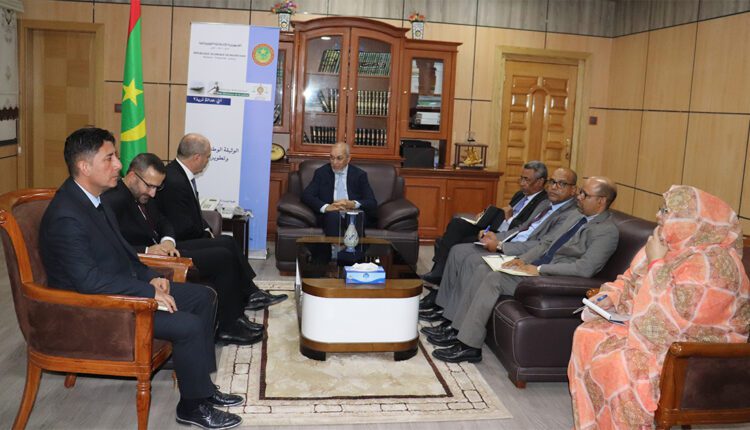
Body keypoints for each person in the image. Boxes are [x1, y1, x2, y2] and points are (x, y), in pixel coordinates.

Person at [39, 127, 243, 429]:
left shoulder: (94, 200)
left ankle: (202, 389)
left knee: (203, 297)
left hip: (121, 289)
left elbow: (125, 253)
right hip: (95, 310)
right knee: (188, 324)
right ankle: (192, 408)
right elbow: (88, 282)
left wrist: (150, 278)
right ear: (84, 166)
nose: (119, 165)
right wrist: (147, 293)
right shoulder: (66, 215)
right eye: (109, 158)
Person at [568, 185, 750, 429]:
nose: (658, 215)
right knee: (587, 334)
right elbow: (630, 279)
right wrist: (611, 296)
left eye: (666, 211)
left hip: (691, 348)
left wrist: (656, 262)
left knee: (620, 362)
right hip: (653, 330)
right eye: (661, 208)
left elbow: (676, 317)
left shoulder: (714, 263)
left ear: (692, 221)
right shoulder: (668, 243)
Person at [429, 176, 620, 363]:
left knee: (494, 279)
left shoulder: (607, 231)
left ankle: (469, 346)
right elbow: (546, 243)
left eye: (585, 194)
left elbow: (584, 268)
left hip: (551, 278)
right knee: (482, 269)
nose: (579, 196)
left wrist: (539, 269)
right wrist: (521, 260)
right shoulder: (576, 215)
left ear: (601, 201)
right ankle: (456, 330)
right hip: (534, 267)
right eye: (580, 192)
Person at [103, 153, 274, 345]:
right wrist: (148, 250)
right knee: (222, 257)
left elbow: (163, 221)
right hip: (148, 258)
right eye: (149, 186)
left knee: (226, 242)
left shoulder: (142, 194)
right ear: (133, 176)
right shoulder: (112, 200)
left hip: (166, 249)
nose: (153, 194)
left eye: (157, 188)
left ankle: (239, 310)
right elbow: (112, 246)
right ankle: (227, 328)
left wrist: (168, 240)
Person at [420, 167, 581, 323]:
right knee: (457, 251)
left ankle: (452, 320)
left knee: (471, 260)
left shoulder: (570, 214)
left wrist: (500, 246)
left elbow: (541, 244)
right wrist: (495, 236)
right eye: (552, 182)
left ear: (573, 190)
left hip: (522, 252)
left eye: (561, 184)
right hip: (510, 241)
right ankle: (442, 308)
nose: (554, 187)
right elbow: (520, 228)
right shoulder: (545, 204)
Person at [156, 133, 286, 312]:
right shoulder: (174, 181)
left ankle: (251, 292)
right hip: (179, 242)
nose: (207, 161)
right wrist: (205, 234)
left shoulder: (179, 173)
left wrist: (207, 229)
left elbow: (193, 213)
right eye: (208, 157)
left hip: (188, 234)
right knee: (224, 249)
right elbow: (181, 225)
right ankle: (247, 296)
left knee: (228, 241)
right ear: (197, 157)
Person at [421, 160, 549, 285]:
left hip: (503, 236)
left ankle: (441, 277)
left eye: (526, 180)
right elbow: (504, 213)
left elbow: (523, 229)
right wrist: (486, 216)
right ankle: (437, 272)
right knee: (457, 224)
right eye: (521, 178)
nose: (522, 183)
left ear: (540, 182)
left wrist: (509, 219)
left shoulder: (543, 202)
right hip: (493, 227)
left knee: (457, 242)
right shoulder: (520, 194)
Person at [301, 142, 377, 236]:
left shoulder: (359, 175)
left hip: (352, 212)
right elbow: (306, 195)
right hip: (331, 214)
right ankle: (334, 246)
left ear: (348, 159)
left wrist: (353, 204)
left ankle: (354, 246)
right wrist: (327, 207)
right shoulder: (321, 173)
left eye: (339, 158)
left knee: (355, 216)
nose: (334, 162)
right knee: (333, 216)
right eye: (332, 158)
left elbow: (371, 202)